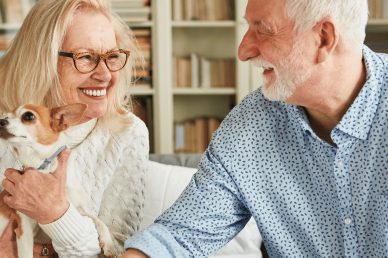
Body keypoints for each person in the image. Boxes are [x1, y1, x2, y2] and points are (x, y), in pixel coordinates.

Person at [122, 0, 388, 257]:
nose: (243, 50)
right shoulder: (250, 127)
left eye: (263, 31)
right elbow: (182, 234)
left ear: (323, 38)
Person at [0, 0, 148, 257]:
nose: (105, 75)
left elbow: (120, 250)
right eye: (86, 57)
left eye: (112, 57)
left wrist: (55, 218)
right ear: (41, 61)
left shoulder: (128, 133)